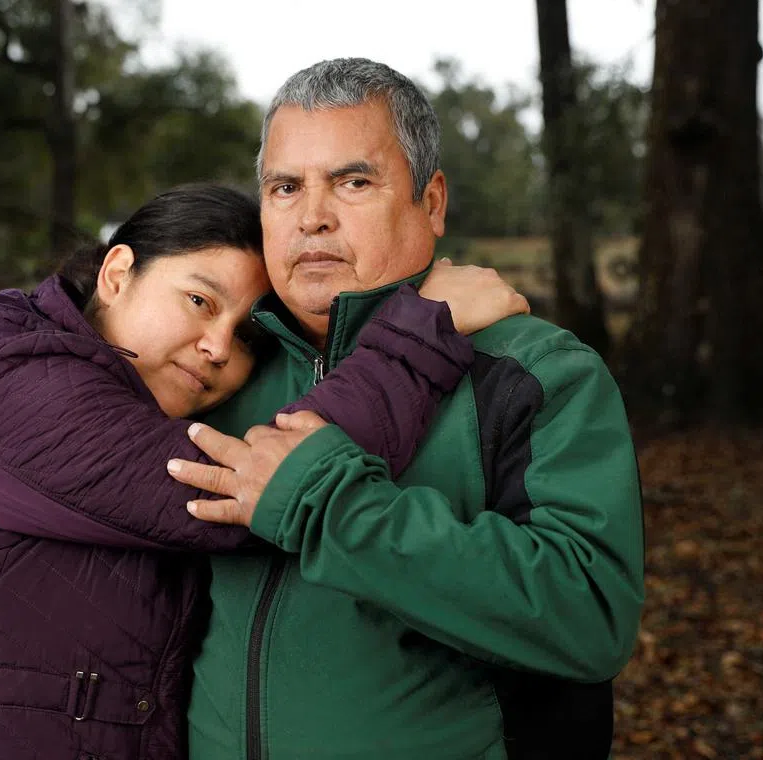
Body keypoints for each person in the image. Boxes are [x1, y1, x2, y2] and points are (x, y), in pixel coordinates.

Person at [0, 183, 527, 760]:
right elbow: (257, 487)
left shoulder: (115, 403)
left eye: (244, 338)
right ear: (116, 274)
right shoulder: (14, 387)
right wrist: (420, 336)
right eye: (201, 302)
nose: (216, 349)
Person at [166, 59, 645, 760]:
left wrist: (332, 506)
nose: (313, 216)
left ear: (432, 201)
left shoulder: (533, 372)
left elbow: (590, 612)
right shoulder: (213, 364)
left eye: (354, 182)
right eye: (285, 187)